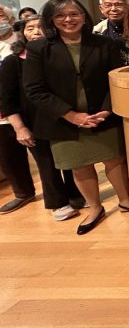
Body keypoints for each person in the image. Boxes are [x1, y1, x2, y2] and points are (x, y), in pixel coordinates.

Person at [23, 0, 129, 235]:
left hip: (103, 114)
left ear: (84, 16)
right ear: (51, 19)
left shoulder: (104, 44)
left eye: (74, 14)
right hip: (62, 120)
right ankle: (95, 207)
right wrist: (71, 115)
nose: (68, 19)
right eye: (61, 15)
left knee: (113, 159)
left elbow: (117, 78)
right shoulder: (38, 48)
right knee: (79, 165)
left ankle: (125, 201)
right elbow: (34, 89)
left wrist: (107, 109)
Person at [0, 16, 83, 218]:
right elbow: (6, 99)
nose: (36, 32)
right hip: (33, 121)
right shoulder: (13, 61)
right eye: (30, 28)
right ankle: (58, 202)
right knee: (46, 163)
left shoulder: (59, 55)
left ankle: (77, 195)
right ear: (23, 33)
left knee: (70, 157)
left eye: (41, 27)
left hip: (63, 116)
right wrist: (20, 128)